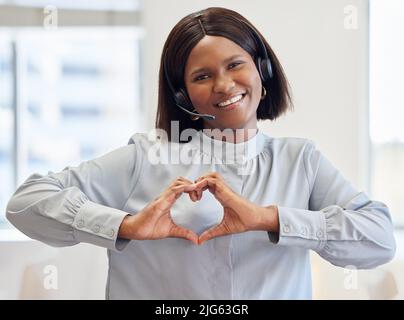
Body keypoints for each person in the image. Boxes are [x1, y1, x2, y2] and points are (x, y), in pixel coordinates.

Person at [6, 7, 395, 299]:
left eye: (235, 65)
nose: (224, 85)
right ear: (182, 94)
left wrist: (270, 219)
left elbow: (379, 241)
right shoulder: (147, 156)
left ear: (263, 70)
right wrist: (124, 226)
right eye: (202, 76)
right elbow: (25, 203)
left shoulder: (301, 161)